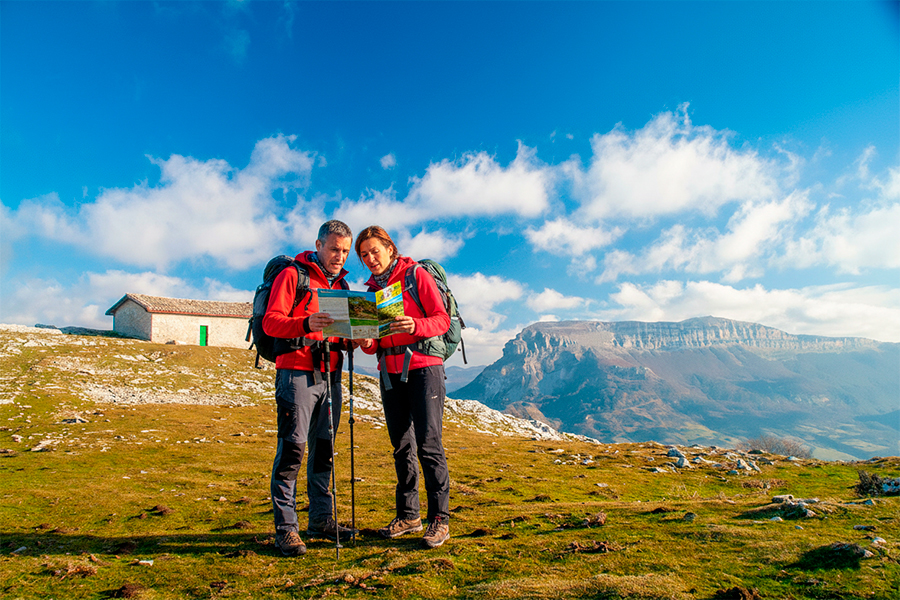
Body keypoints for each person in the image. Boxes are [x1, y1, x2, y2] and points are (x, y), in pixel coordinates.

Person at [262, 220, 357, 557]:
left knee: (324, 450)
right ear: (318, 244)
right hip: (296, 375)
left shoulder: (343, 285)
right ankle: (286, 530)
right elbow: (270, 322)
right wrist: (305, 323)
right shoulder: (294, 275)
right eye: (334, 249)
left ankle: (321, 520)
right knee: (293, 450)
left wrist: (355, 337)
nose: (340, 256)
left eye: (345, 251)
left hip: (331, 375)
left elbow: (342, 332)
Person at [355, 226, 452, 549]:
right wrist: (367, 341)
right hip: (389, 372)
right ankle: (409, 515)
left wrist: (416, 325)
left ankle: (440, 519)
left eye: (374, 252)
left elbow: (442, 319)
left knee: (429, 444)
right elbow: (374, 343)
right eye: (364, 255)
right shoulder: (370, 290)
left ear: (390, 248)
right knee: (401, 446)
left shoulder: (415, 275)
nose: (370, 259)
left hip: (424, 368)